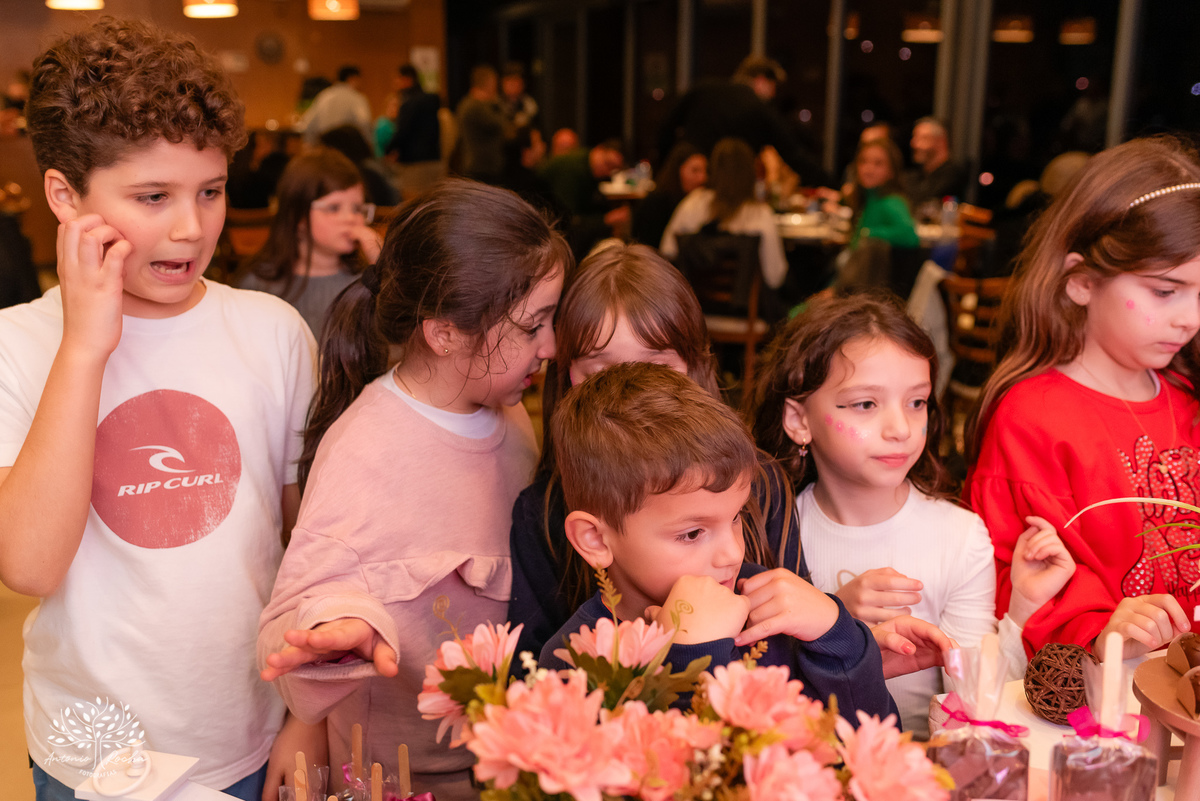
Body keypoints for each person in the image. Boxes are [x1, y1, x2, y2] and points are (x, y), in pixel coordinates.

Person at [6, 18, 319, 801]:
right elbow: (29, 563)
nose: (192, 226)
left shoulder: (273, 333)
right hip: (93, 750)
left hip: (252, 726)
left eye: (210, 191)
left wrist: (310, 714)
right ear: (64, 194)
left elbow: (311, 550)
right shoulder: (16, 345)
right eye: (153, 196)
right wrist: (85, 346)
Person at [257, 180, 571, 801]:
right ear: (445, 333)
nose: (552, 346)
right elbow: (291, 621)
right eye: (533, 325)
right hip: (398, 779)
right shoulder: (364, 452)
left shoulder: (509, 419)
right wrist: (337, 628)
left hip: (501, 764)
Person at [750, 293, 1078, 736]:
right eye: (866, 404)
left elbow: (977, 701)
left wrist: (1022, 607)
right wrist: (834, 615)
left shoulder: (958, 535)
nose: (901, 429)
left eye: (916, 402)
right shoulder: (772, 533)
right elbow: (759, 687)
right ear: (799, 420)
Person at [537, 361, 897, 724]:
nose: (733, 554)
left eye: (737, 516)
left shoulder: (771, 613)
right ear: (595, 539)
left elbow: (874, 743)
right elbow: (677, 774)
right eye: (692, 533)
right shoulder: (574, 663)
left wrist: (837, 633)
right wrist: (692, 658)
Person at [508, 243, 803, 660]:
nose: (636, 392)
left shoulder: (763, 484)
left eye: (657, 369)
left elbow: (792, 633)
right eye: (604, 373)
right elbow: (534, 677)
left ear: (695, 368)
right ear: (567, 376)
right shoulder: (543, 511)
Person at [966, 135, 1200, 660]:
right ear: (1081, 282)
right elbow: (1009, 576)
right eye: (1165, 291)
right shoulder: (1032, 418)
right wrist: (1102, 631)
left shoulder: (1187, 399)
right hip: (1106, 699)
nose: (1190, 318)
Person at [241, 148, 381, 338]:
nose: (350, 218)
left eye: (357, 208)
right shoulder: (260, 285)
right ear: (298, 216)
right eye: (333, 208)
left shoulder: (364, 282)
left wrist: (381, 268)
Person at [658, 55, 831, 187]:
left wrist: (661, 170)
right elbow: (794, 156)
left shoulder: (701, 89)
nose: (773, 95)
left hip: (684, 186)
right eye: (773, 87)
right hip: (727, 191)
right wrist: (832, 184)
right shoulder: (760, 109)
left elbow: (665, 128)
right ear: (761, 81)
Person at [660, 137, 788, 292]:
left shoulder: (693, 204)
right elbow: (775, 277)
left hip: (694, 309)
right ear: (750, 172)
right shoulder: (760, 214)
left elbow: (667, 252)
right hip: (743, 312)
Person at [539, 139, 628, 258]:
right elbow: (568, 221)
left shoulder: (590, 169)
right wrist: (605, 220)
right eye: (607, 163)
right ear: (598, 150)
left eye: (614, 169)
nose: (608, 171)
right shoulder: (573, 169)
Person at [630, 141, 707, 249]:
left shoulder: (700, 203)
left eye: (705, 171)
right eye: (695, 171)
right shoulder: (656, 204)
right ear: (677, 171)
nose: (702, 178)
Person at [386, 63, 443, 200]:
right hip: (434, 159)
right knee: (432, 202)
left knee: (413, 204)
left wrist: (388, 150)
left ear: (407, 79)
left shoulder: (409, 102)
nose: (395, 83)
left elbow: (403, 131)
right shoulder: (432, 99)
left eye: (398, 79)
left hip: (414, 163)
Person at [454, 64, 510, 183]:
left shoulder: (467, 103)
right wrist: (497, 102)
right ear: (489, 82)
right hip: (482, 167)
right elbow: (501, 123)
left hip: (475, 164)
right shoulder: (477, 106)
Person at [300, 65, 373, 147]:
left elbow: (310, 124)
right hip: (348, 148)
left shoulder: (324, 96)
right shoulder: (357, 98)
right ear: (352, 78)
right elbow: (364, 123)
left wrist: (309, 146)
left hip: (326, 147)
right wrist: (369, 146)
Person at [906, 117, 967, 207]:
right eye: (914, 138)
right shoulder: (915, 175)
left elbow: (924, 202)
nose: (914, 144)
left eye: (923, 138)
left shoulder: (952, 174)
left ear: (940, 142)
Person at [500, 61, 538, 129]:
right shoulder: (495, 104)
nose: (512, 85)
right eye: (509, 81)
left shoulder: (530, 105)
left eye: (515, 81)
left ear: (523, 84)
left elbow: (536, 130)